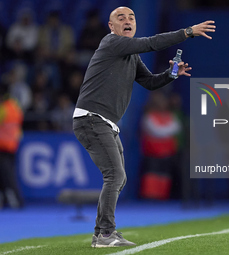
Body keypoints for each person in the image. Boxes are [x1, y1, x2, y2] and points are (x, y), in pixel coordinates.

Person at [73, 6, 215, 248]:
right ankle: (106, 234)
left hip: (104, 122)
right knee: (115, 175)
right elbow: (151, 43)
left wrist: (171, 74)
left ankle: (101, 234)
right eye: (121, 18)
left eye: (131, 17)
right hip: (91, 119)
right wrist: (187, 32)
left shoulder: (130, 55)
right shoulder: (112, 43)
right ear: (111, 26)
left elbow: (149, 82)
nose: (127, 21)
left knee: (119, 177)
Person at [0, 82, 24, 209]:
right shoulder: (15, 106)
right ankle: (5, 201)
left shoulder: (3, 109)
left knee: (8, 177)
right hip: (13, 145)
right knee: (4, 176)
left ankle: (19, 201)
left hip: (3, 147)